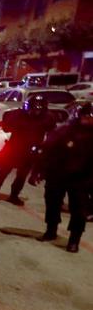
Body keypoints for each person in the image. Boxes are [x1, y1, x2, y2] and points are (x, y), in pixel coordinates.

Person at [30, 101, 93, 253]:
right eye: (86, 116)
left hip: (81, 178)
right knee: (52, 203)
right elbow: (46, 150)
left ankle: (74, 240)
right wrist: (38, 171)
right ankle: (51, 230)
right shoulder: (65, 131)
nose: (88, 120)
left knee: (78, 210)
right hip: (58, 174)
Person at [0, 95, 57, 205]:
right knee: (3, 172)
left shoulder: (47, 118)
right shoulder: (18, 114)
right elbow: (7, 126)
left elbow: (51, 132)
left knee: (22, 175)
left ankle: (14, 195)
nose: (35, 112)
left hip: (30, 151)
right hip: (14, 148)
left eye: (38, 110)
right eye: (33, 109)